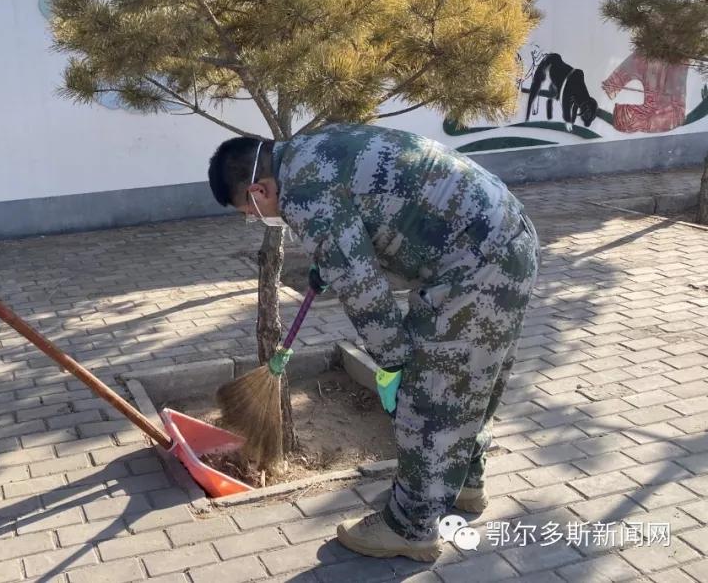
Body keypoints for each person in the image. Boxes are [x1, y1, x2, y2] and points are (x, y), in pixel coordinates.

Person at [207, 123, 540, 562]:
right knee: (473, 377)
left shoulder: (304, 193)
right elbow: (369, 210)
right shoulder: (310, 149)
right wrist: (328, 260)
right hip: (508, 237)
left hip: (475, 266)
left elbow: (365, 293)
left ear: (259, 189)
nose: (255, 218)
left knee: (429, 397)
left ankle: (410, 527)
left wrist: (397, 363)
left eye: (250, 211)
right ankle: (464, 482)